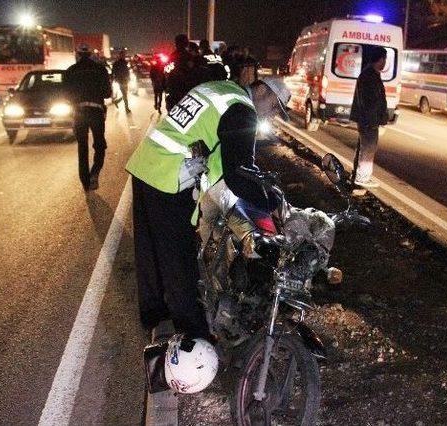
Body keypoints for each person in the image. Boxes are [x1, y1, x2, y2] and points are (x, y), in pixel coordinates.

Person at [125, 77, 291, 339]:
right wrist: (269, 202)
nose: (273, 114)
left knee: (150, 253)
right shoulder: (241, 109)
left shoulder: (221, 88)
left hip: (147, 164)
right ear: (261, 90)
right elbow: (239, 174)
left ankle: (155, 317)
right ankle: (194, 335)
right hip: (169, 177)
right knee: (179, 261)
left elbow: (221, 161)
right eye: (274, 105)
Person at [64, 44, 112, 191]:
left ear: (78, 55)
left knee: (82, 147)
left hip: (79, 112)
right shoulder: (100, 69)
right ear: (91, 54)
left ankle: (85, 182)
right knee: (99, 145)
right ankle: (95, 173)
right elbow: (107, 93)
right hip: (96, 111)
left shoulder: (70, 71)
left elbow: (65, 94)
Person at [349, 46, 388, 189]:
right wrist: (375, 122)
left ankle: (357, 176)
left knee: (363, 148)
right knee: (368, 149)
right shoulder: (370, 76)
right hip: (369, 121)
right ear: (381, 59)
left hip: (367, 120)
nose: (385, 63)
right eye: (385, 59)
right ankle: (362, 177)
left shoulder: (369, 74)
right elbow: (371, 102)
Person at [164, 34, 197, 111]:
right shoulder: (190, 57)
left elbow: (166, 74)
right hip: (187, 94)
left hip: (173, 93)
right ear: (186, 43)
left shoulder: (171, 57)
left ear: (176, 44)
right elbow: (195, 75)